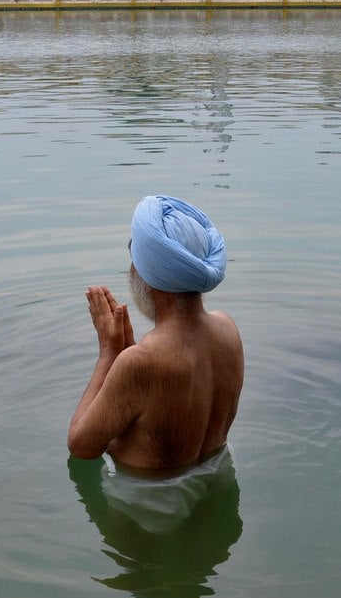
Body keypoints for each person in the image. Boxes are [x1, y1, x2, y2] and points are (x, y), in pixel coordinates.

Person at [68, 195, 243, 482]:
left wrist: (109, 355)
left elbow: (81, 447)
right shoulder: (228, 329)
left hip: (152, 501)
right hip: (218, 476)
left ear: (145, 273)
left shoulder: (140, 362)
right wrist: (128, 355)